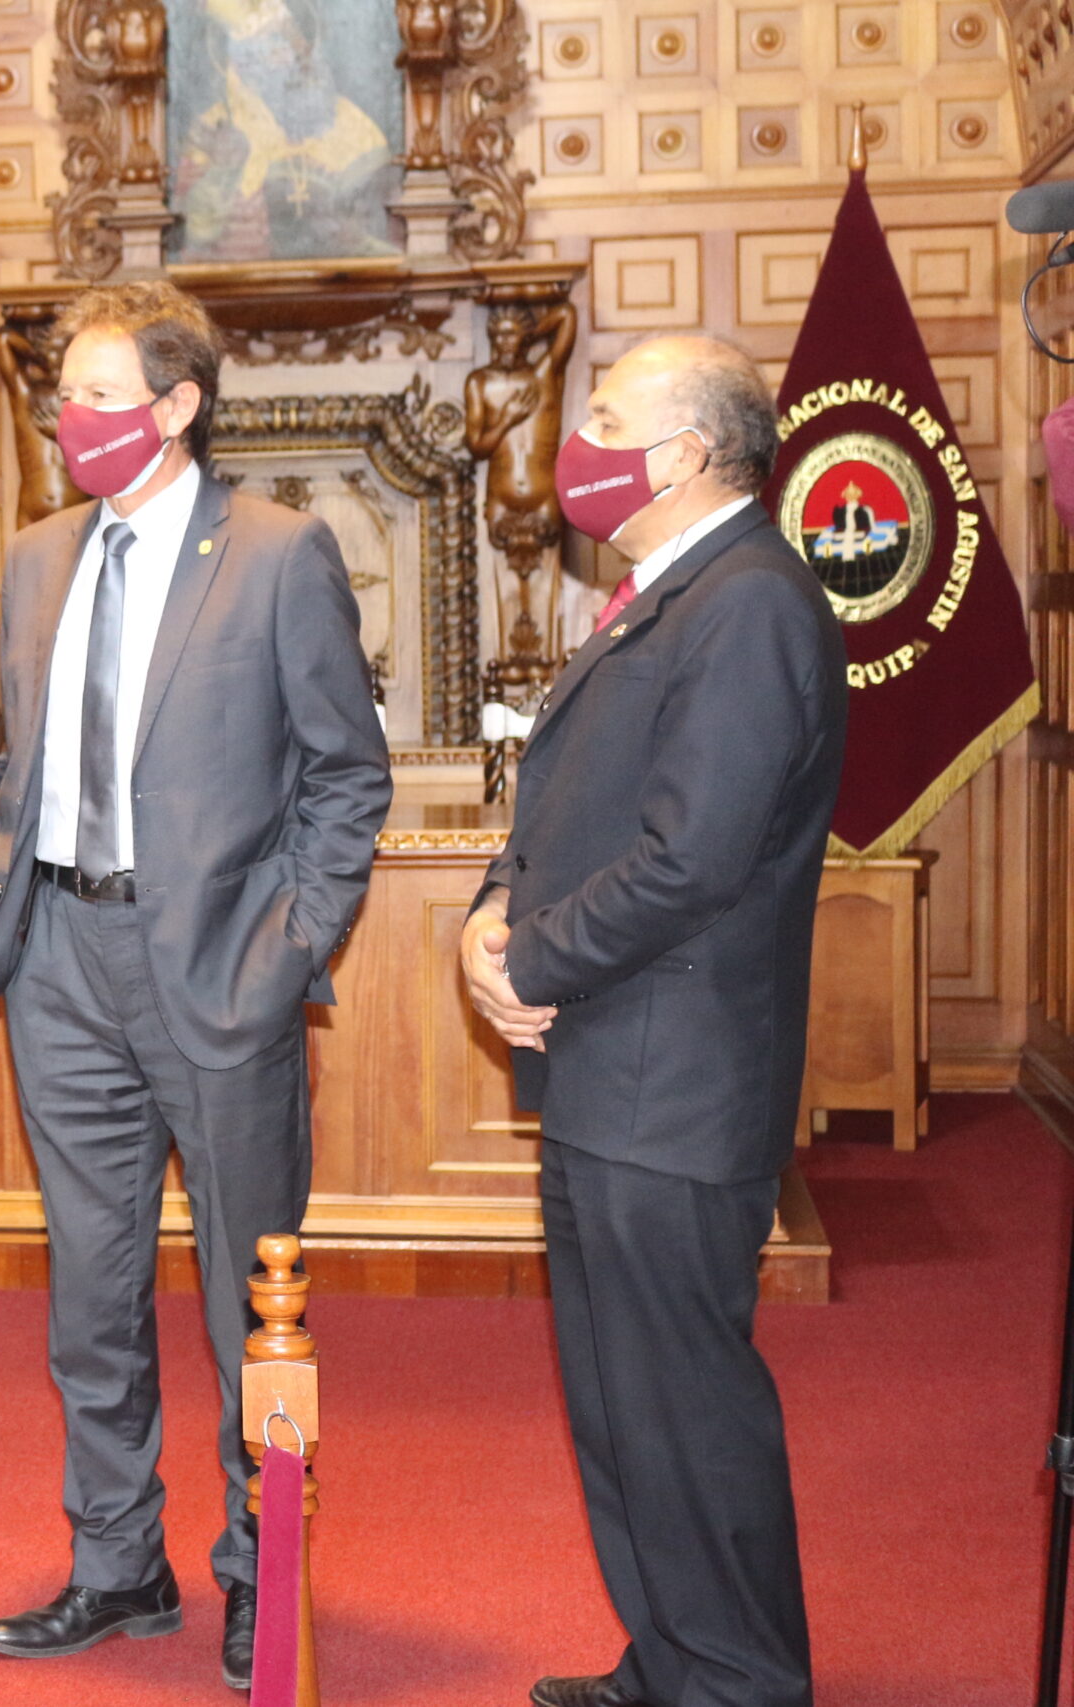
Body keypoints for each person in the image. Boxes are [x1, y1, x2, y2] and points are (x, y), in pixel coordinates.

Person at [0, 280, 391, 1692]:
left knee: (246, 1306)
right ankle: (116, 1565)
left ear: (176, 404)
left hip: (217, 970)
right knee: (90, 1296)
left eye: (95, 394)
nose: (67, 417)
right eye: (62, 395)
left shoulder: (276, 554)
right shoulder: (37, 556)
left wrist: (290, 949)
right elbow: (33, 764)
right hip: (60, 966)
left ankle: (265, 1570)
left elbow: (347, 777)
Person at [460, 335, 845, 1707]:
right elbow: (573, 800)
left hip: (674, 1084)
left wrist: (529, 962)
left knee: (683, 1405)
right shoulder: (667, 594)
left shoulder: (749, 603)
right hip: (609, 1072)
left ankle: (739, 1683)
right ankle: (673, 1662)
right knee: (622, 1407)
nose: (582, 441)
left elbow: (695, 860)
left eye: (610, 419)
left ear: (685, 454)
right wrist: (493, 912)